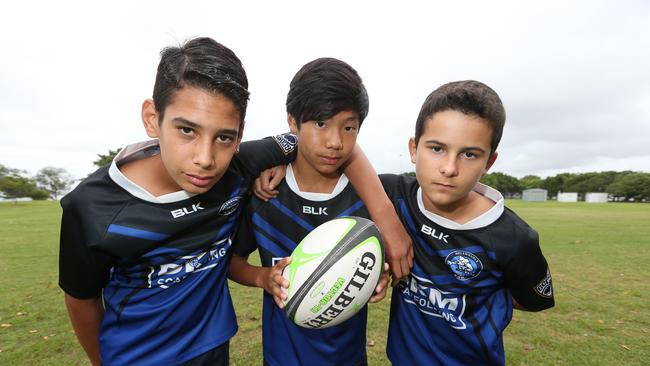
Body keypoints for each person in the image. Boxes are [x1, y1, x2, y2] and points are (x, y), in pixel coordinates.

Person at [58, 38, 407, 366]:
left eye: (224, 137)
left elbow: (331, 141)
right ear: (152, 118)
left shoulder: (241, 164)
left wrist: (384, 216)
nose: (205, 158)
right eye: (186, 130)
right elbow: (80, 298)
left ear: (240, 134)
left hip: (214, 349)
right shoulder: (92, 208)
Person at [228, 57, 395, 366]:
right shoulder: (264, 195)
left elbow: (385, 267)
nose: (335, 142)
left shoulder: (366, 200)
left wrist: (377, 278)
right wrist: (263, 277)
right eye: (321, 124)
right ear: (293, 122)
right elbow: (233, 263)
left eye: (349, 127)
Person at [382, 80, 555, 365]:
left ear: (489, 162)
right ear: (414, 149)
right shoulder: (393, 196)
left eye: (469, 154)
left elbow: (532, 300)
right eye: (437, 148)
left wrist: (480, 295)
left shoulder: (513, 238)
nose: (449, 168)